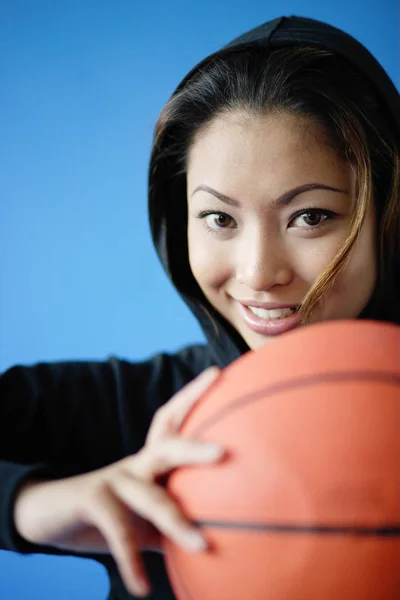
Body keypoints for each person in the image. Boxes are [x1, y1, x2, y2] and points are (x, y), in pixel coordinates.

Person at [1, 14, 399, 600]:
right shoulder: (139, 412)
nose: (260, 273)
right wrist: (32, 505)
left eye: (310, 217)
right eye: (219, 219)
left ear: (389, 215)